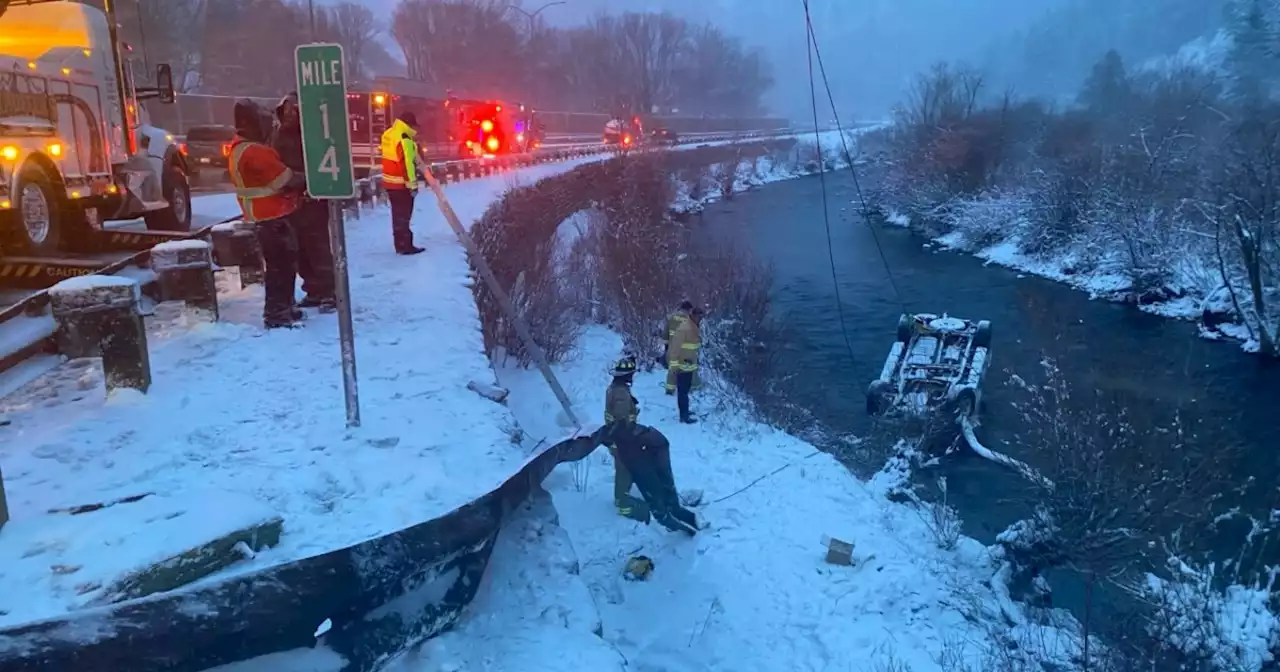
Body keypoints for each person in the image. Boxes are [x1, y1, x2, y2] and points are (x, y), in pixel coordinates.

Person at [600, 355, 699, 536]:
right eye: (631, 374)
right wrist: (636, 434)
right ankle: (630, 507)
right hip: (622, 442)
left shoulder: (614, 389)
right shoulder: (621, 394)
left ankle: (636, 500)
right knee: (625, 472)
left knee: (628, 472)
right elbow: (622, 423)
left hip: (620, 440)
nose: (632, 377)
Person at [228, 99, 305, 329]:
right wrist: (308, 178)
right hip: (272, 217)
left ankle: (285, 307)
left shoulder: (238, 148)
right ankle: (277, 313)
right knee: (280, 268)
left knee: (283, 266)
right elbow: (285, 180)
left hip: (263, 217)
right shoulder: (256, 152)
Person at [273, 91, 336, 313]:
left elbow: (324, 164)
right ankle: (313, 289)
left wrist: (305, 182)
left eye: (295, 110)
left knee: (317, 246)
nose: (290, 114)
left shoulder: (313, 134)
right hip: (289, 199)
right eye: (287, 110)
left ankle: (329, 291)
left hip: (312, 197)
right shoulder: (278, 135)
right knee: (299, 249)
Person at [380, 111, 425, 255]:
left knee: (397, 216)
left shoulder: (388, 133)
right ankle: (405, 246)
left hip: (390, 182)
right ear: (409, 124)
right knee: (404, 216)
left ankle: (400, 245)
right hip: (401, 185)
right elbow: (406, 164)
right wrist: (412, 185)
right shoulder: (404, 138)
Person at [668, 305, 703, 423]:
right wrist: (674, 366)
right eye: (698, 316)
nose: (700, 319)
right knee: (682, 392)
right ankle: (684, 416)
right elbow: (675, 348)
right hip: (682, 365)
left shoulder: (693, 327)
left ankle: (685, 411)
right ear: (692, 315)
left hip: (689, 365)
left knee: (685, 390)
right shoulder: (684, 329)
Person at [663, 301, 693, 395]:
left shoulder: (672, 318)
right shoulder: (690, 320)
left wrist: (666, 346)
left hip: (673, 349)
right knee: (686, 370)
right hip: (685, 350)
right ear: (689, 310)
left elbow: (665, 334)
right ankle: (687, 389)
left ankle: (669, 389)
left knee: (672, 369)